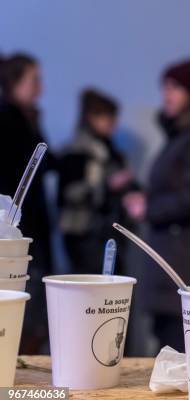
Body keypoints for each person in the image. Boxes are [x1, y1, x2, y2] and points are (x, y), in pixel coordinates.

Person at [123, 59, 190, 351]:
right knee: (174, 349)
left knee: (183, 351)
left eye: (175, 87)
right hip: (179, 256)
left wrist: (148, 209)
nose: (166, 94)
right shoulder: (184, 136)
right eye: (164, 87)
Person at [0, 53, 54, 353]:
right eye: (34, 80)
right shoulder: (8, 120)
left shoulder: (26, 118)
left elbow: (49, 162)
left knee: (31, 318)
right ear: (14, 83)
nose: (40, 88)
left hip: (29, 231)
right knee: (21, 315)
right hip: (15, 236)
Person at [58, 89, 138, 275]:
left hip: (111, 231)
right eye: (108, 117)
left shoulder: (112, 150)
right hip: (83, 233)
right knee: (90, 286)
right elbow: (68, 194)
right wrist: (107, 185)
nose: (113, 124)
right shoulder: (76, 152)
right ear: (91, 117)